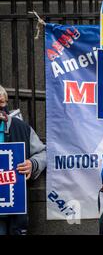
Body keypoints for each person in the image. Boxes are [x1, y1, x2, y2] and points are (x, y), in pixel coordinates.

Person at [0, 85, 47, 235]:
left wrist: (32, 164)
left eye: (1, 103)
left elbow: (43, 152)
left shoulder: (21, 128)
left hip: (13, 214)